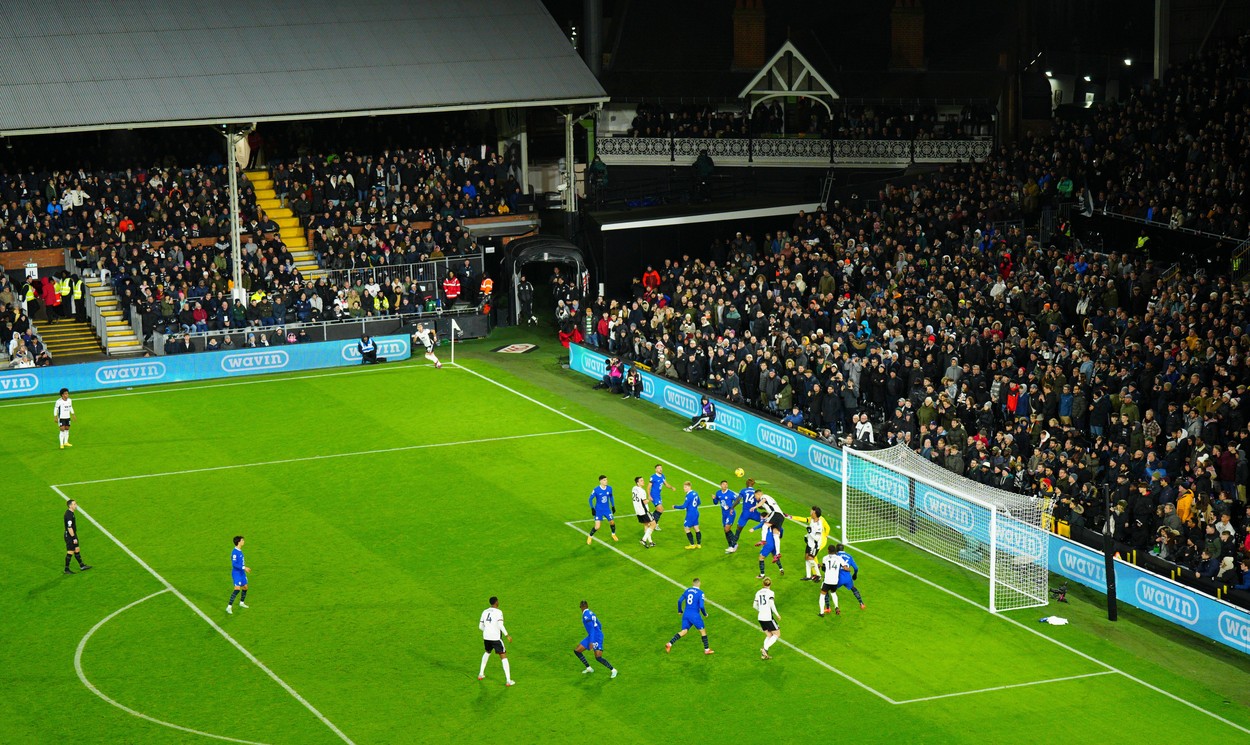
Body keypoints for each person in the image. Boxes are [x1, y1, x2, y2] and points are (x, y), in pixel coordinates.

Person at [665, 578, 713, 655]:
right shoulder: (700, 593)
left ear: (693, 583)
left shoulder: (687, 590)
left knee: (684, 631)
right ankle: (706, 649)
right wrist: (705, 614)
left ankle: (669, 644)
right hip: (694, 615)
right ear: (699, 583)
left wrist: (680, 610)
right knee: (703, 631)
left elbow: (679, 601)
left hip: (686, 614)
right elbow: (701, 606)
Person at [478, 596, 515, 686]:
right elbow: (500, 625)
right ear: (496, 602)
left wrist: (488, 631)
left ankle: (481, 674)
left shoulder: (484, 611)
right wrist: (507, 635)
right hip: (495, 638)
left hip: (486, 637)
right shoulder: (498, 612)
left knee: (487, 652)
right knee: (503, 656)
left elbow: (480, 626)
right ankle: (508, 680)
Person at [574, 601, 617, 677]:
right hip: (594, 635)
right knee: (577, 650)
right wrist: (598, 631)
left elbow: (592, 629)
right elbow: (599, 624)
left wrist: (591, 641)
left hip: (595, 636)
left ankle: (613, 670)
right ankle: (589, 668)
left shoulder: (586, 616)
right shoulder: (591, 613)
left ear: (581, 607)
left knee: (598, 657)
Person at [793, 506, 831, 582]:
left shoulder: (819, 525)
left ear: (815, 513)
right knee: (806, 557)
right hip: (810, 543)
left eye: (811, 511)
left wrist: (810, 532)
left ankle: (818, 575)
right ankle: (808, 576)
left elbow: (816, 538)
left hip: (815, 544)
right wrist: (807, 535)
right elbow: (804, 520)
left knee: (811, 558)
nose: (810, 511)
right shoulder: (812, 520)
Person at [831, 543, 866, 611]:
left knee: (827, 589)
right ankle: (861, 604)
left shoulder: (835, 556)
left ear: (836, 549)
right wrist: (855, 574)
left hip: (839, 578)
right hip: (848, 578)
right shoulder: (849, 556)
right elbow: (856, 568)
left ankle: (828, 608)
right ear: (843, 549)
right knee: (853, 588)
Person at [753, 576, 782, 659]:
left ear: (763, 583)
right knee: (777, 634)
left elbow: (754, 605)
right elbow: (771, 604)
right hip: (768, 617)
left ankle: (764, 655)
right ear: (771, 584)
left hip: (760, 617)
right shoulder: (770, 593)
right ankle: (765, 649)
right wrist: (777, 614)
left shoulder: (758, 593)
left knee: (769, 635)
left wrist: (761, 610)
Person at [819, 545, 850, 616]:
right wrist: (848, 569)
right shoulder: (839, 558)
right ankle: (836, 607)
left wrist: (820, 566)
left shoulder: (825, 558)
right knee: (833, 593)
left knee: (822, 595)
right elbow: (845, 567)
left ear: (828, 550)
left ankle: (821, 612)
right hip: (835, 581)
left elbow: (824, 569)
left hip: (827, 580)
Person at [586, 475, 618, 544]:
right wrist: (592, 508)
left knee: (612, 522)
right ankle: (590, 536)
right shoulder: (596, 490)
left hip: (607, 509)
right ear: (600, 481)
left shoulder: (609, 488)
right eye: (604, 480)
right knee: (597, 527)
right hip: (598, 510)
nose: (606, 481)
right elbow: (590, 499)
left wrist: (613, 506)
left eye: (606, 479)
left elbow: (611, 497)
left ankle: (613, 534)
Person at [63, 499, 91, 574]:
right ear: (70, 506)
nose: (76, 505)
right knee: (70, 551)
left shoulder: (71, 513)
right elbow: (69, 528)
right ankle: (66, 569)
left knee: (77, 549)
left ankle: (82, 566)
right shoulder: (69, 515)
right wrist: (73, 538)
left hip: (73, 534)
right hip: (70, 536)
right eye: (74, 504)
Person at [733, 477, 763, 546]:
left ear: (747, 483)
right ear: (753, 484)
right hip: (754, 513)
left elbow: (737, 500)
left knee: (739, 528)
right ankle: (765, 539)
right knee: (766, 521)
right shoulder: (756, 493)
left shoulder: (743, 490)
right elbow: (760, 505)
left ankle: (733, 544)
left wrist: (732, 507)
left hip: (745, 513)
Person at [673, 481, 702, 549]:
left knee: (686, 528)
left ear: (689, 487)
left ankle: (692, 545)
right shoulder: (695, 493)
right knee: (696, 528)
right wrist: (692, 507)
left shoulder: (689, 495)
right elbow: (699, 502)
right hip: (696, 512)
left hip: (690, 514)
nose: (684, 488)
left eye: (685, 487)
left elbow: (683, 506)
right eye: (684, 487)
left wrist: (675, 506)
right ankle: (698, 544)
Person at [712, 480, 740, 553]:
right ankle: (730, 546)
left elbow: (738, 500)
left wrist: (731, 507)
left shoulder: (730, 493)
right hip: (724, 514)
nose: (725, 485)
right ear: (720, 485)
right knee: (725, 530)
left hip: (730, 513)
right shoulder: (718, 493)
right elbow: (715, 503)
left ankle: (735, 544)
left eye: (726, 484)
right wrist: (714, 498)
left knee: (727, 529)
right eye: (723, 484)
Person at [227, 535, 250, 614]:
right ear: (238, 542)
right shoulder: (235, 552)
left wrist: (243, 569)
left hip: (242, 573)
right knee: (237, 589)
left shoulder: (240, 550)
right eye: (242, 540)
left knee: (245, 587)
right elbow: (234, 564)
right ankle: (229, 607)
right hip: (236, 573)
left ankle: (241, 603)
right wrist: (244, 567)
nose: (243, 541)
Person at [631, 475, 656, 548]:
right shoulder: (642, 491)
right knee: (653, 524)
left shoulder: (634, 488)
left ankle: (650, 542)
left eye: (643, 480)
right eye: (641, 480)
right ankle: (643, 540)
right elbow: (644, 502)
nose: (643, 481)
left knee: (646, 525)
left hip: (638, 511)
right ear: (637, 483)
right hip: (644, 511)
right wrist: (649, 499)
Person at [649, 464, 676, 530]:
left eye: (661, 468)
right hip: (654, 495)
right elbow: (648, 487)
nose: (660, 469)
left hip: (658, 495)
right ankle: (654, 525)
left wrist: (671, 487)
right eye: (658, 468)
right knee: (661, 509)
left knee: (660, 510)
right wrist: (649, 495)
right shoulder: (653, 477)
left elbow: (666, 484)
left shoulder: (662, 476)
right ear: (656, 469)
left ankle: (652, 520)